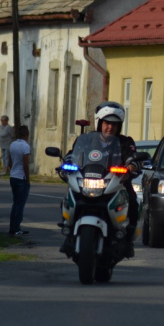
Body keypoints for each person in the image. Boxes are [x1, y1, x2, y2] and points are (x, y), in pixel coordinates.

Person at [60, 101, 140, 258]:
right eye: (106, 123)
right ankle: (68, 230)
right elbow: (72, 155)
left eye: (114, 124)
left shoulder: (125, 142)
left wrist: (132, 166)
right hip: (88, 180)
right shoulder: (86, 140)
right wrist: (66, 163)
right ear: (99, 123)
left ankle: (127, 240)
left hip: (116, 182)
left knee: (133, 201)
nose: (110, 127)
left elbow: (133, 157)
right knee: (68, 197)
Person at [7, 125, 31, 236]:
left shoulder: (13, 144)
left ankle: (12, 227)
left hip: (13, 176)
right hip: (21, 177)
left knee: (15, 204)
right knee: (20, 204)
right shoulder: (25, 146)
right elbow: (25, 164)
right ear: (27, 135)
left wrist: (13, 170)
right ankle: (17, 228)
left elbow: (10, 161)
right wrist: (28, 178)